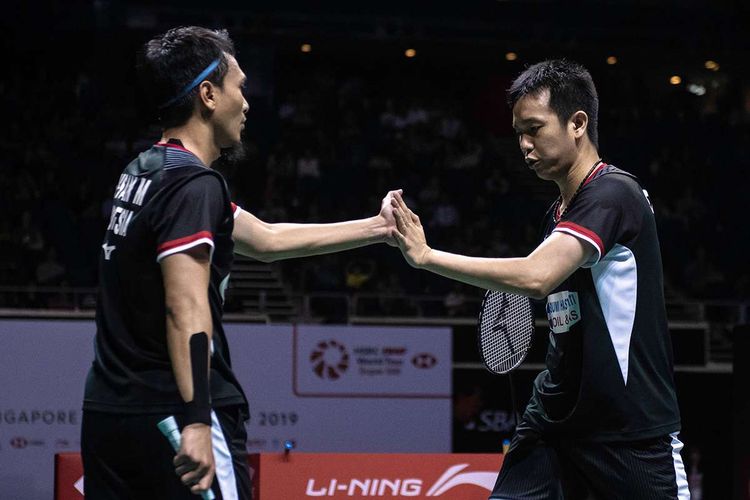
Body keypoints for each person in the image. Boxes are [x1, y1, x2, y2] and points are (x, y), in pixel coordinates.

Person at [81, 26, 399, 499]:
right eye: (239, 87)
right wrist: (196, 420)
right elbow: (185, 306)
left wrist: (379, 228)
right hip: (175, 412)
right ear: (208, 95)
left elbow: (267, 240)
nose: (247, 103)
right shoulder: (195, 186)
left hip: (109, 414)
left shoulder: (146, 170)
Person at [391, 59, 689, 499]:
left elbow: (536, 277)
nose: (524, 145)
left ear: (577, 124)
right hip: (554, 423)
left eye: (534, 129)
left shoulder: (612, 195)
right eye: (518, 134)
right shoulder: (558, 214)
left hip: (627, 433)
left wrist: (426, 256)